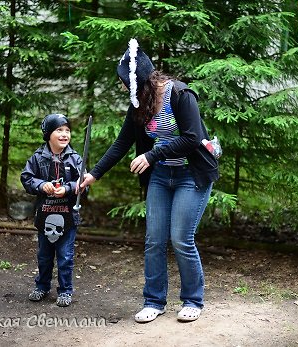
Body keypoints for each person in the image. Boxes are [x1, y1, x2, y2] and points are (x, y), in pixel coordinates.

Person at [78, 39, 219, 323]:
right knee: (154, 240)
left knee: (181, 238)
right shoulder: (138, 104)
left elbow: (192, 138)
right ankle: (154, 301)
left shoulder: (180, 95)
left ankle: (193, 300)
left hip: (191, 174)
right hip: (161, 176)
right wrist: (94, 174)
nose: (121, 88)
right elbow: (121, 144)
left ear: (139, 80)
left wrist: (154, 154)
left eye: (123, 82)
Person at [21, 113, 83, 307]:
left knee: (65, 256)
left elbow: (84, 183)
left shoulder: (75, 159)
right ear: (48, 134)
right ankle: (42, 286)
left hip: (67, 216)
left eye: (67, 130)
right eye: (59, 130)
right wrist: (41, 185)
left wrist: (70, 188)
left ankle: (65, 290)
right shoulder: (38, 158)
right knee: (44, 255)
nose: (64, 134)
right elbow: (27, 178)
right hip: (45, 215)